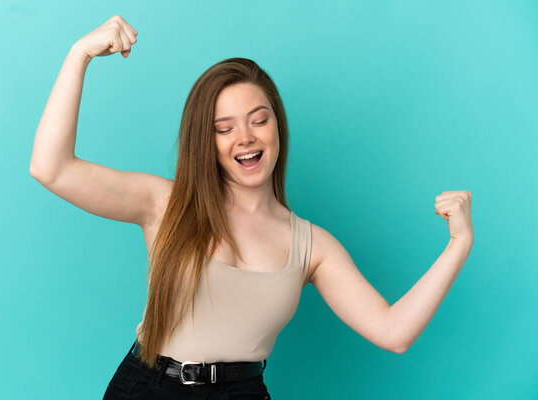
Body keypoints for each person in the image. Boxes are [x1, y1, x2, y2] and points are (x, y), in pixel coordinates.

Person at [29, 15, 475, 400]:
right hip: (149, 388)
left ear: (277, 126)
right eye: (224, 128)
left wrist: (458, 243)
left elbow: (393, 332)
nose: (245, 137)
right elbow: (51, 169)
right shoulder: (166, 203)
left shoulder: (311, 245)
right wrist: (78, 55)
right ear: (207, 142)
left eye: (259, 120)